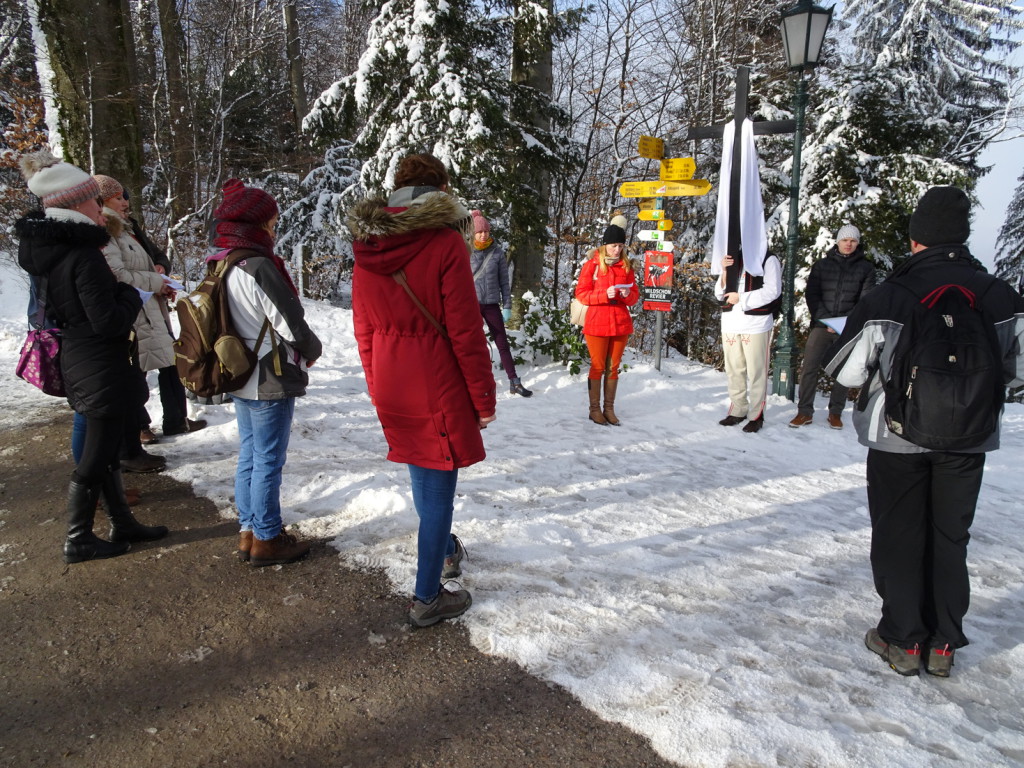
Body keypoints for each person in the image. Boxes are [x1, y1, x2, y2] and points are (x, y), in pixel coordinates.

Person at [824, 186, 1024, 677]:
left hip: (896, 437)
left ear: (915, 239)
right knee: (950, 536)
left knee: (899, 533)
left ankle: (902, 639)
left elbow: (847, 372)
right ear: (962, 236)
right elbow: (1017, 372)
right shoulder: (998, 294)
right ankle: (943, 644)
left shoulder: (890, 294)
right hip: (969, 438)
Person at [348, 153, 496, 627]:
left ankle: (446, 548)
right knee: (438, 490)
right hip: (436, 381)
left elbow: (363, 329)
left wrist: (376, 387)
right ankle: (427, 596)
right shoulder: (444, 243)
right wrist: (484, 399)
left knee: (424, 476)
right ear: (441, 190)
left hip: (392, 380)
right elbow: (466, 331)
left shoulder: (366, 245)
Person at [16, 149, 168, 563]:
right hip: (97, 361)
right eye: (93, 201)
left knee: (105, 451)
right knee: (95, 457)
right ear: (75, 205)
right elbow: (108, 321)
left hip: (82, 358)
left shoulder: (51, 249)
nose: (100, 208)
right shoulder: (82, 254)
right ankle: (79, 538)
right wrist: (129, 294)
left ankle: (123, 523)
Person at [211, 179, 323, 567]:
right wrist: (312, 350)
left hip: (239, 369)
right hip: (268, 374)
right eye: (273, 221)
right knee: (268, 459)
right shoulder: (258, 265)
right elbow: (290, 325)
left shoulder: (223, 260)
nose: (276, 227)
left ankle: (249, 530)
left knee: (251, 454)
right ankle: (267, 537)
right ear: (257, 223)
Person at [93, 175, 206, 446]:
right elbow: (117, 273)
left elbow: (154, 255)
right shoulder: (107, 229)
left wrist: (161, 270)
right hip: (132, 310)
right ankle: (139, 427)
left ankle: (176, 419)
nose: (125, 202)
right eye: (118, 197)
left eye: (123, 196)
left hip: (151, 308)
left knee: (168, 361)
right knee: (137, 367)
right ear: (102, 200)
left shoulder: (128, 227)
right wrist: (157, 282)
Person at [789, 225, 876, 430]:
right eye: (845, 240)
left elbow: (865, 301)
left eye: (853, 241)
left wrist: (844, 323)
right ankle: (804, 412)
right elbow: (812, 295)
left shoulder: (866, 268)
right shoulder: (822, 266)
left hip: (848, 328)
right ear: (837, 241)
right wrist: (827, 320)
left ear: (857, 243)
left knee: (844, 370)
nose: (848, 244)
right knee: (809, 368)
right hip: (821, 325)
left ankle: (835, 413)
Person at [575, 216, 639, 426]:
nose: (617, 250)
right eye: (613, 246)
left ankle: (609, 409)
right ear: (604, 246)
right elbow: (582, 295)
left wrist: (622, 294)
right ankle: (594, 410)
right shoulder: (591, 265)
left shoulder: (627, 266)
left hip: (620, 323)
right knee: (598, 366)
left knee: (613, 367)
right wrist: (605, 294)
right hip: (597, 323)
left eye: (620, 246)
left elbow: (634, 297)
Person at [714, 249, 782, 433]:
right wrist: (725, 271)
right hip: (730, 322)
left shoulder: (768, 259)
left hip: (755, 323)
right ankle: (738, 409)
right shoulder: (734, 258)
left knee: (756, 372)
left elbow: (773, 291)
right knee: (734, 370)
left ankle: (756, 415)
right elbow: (719, 293)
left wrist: (742, 299)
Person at [470, 210, 532, 397]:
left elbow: (505, 282)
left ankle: (514, 381)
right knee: (471, 345)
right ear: (473, 233)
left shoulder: (497, 253)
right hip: (470, 305)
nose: (483, 234)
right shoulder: (465, 251)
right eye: (479, 232)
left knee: (502, 343)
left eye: (486, 231)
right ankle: (474, 383)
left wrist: (506, 306)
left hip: (491, 305)